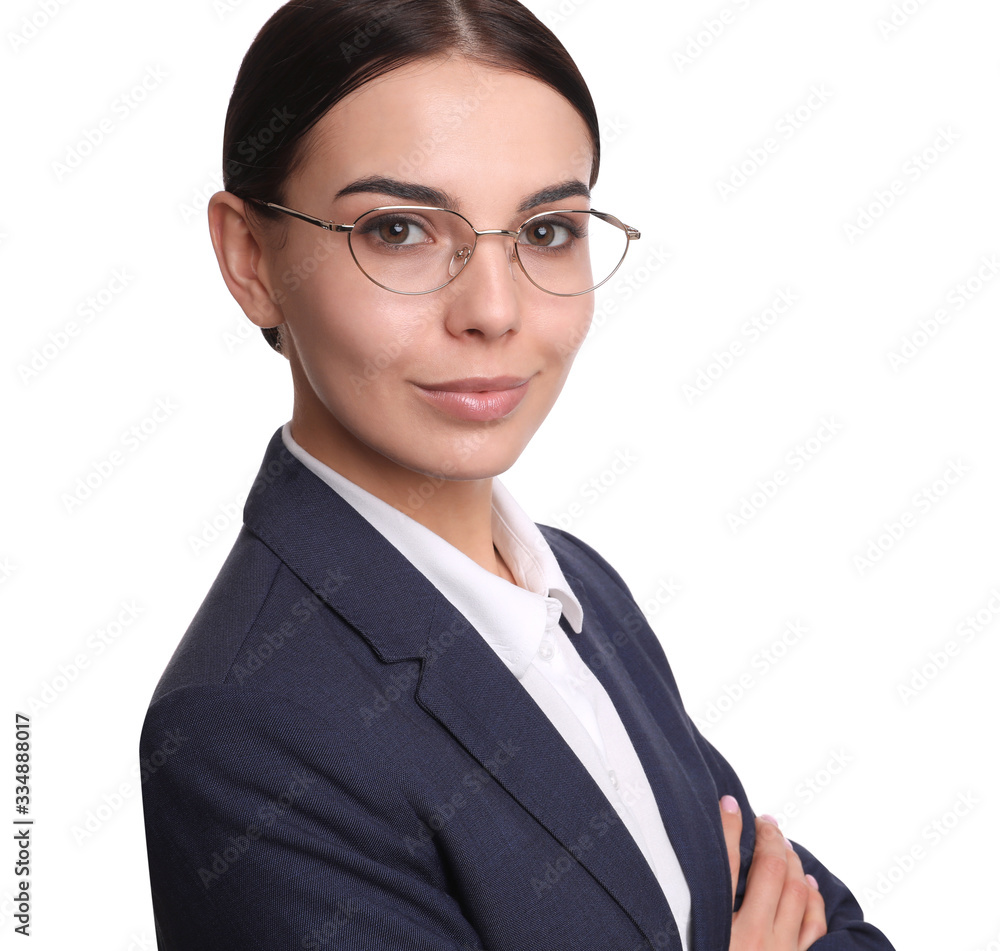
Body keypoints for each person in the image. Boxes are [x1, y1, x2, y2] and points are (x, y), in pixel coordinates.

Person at [139, 1, 896, 949]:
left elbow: (830, 921)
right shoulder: (244, 726)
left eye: (544, 231)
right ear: (251, 257)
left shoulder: (579, 587)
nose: (494, 312)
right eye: (400, 230)